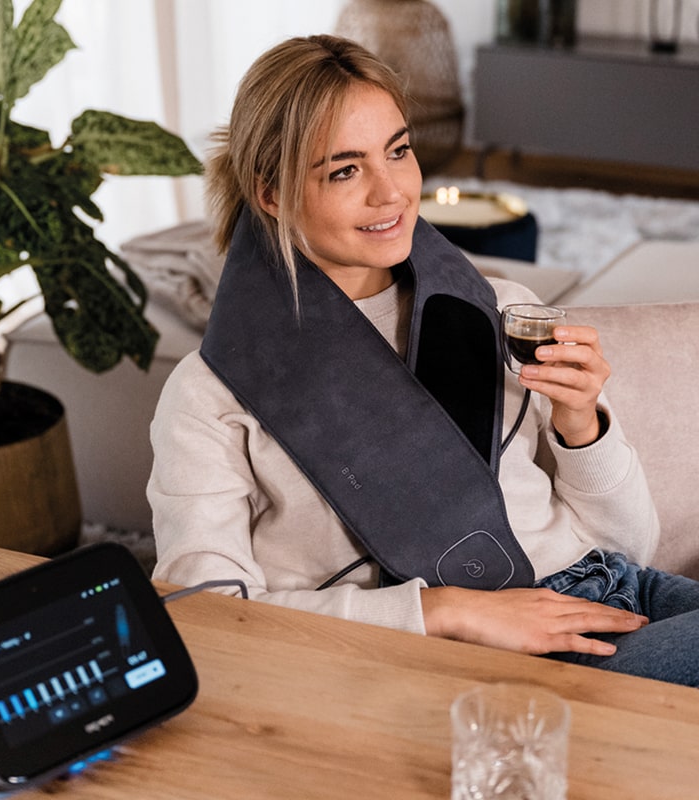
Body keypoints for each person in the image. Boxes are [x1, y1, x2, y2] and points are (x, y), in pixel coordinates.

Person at [147, 34, 699, 687]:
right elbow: (205, 613)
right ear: (270, 193)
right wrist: (443, 613)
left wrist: (582, 424)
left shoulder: (496, 309)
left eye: (399, 151)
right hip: (484, 657)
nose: (392, 193)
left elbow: (628, 545)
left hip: (610, 588)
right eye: (345, 169)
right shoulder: (215, 393)